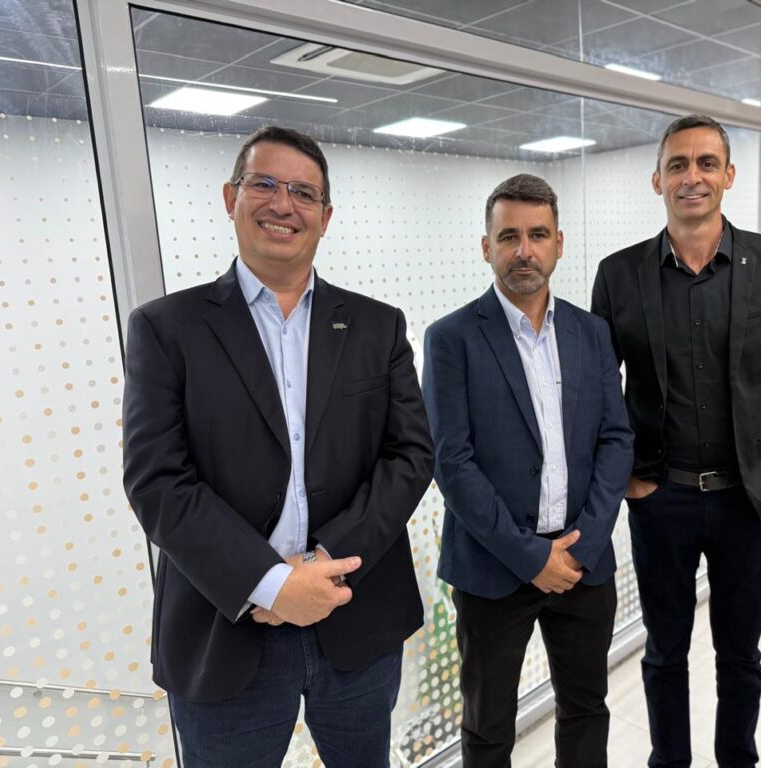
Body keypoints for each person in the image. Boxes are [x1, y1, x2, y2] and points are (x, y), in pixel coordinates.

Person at [122, 125, 434, 768]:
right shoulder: (167, 328)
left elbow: (410, 456)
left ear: (326, 217)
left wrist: (324, 562)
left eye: (303, 192)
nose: (282, 204)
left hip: (356, 616)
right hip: (225, 627)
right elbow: (158, 481)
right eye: (263, 184)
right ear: (230, 197)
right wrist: (270, 583)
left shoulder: (378, 325)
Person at [591, 114, 761, 768]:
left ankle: (737, 760)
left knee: (740, 656)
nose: (691, 177)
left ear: (728, 175)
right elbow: (598, 390)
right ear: (657, 180)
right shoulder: (618, 275)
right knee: (664, 653)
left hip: (748, 500)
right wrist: (626, 476)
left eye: (705, 163)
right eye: (677, 164)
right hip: (660, 498)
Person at [423, 173, 634, 767]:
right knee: (488, 727)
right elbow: (451, 462)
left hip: (583, 565)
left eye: (538, 235)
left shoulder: (592, 333)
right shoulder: (451, 339)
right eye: (508, 236)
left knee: (586, 709)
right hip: (492, 569)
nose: (524, 250)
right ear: (486, 247)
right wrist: (530, 557)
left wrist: (583, 545)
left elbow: (616, 438)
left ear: (558, 243)